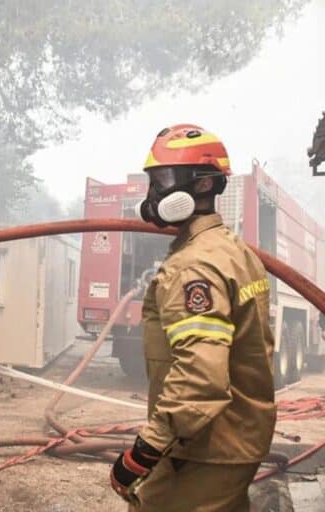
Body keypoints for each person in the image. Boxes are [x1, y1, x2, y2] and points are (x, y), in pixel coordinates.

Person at [109, 124, 276, 511]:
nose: (154, 194)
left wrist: (145, 451)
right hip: (232, 440)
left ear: (203, 185)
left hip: (206, 449)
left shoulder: (194, 266)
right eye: (153, 181)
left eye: (164, 179)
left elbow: (200, 377)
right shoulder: (232, 250)